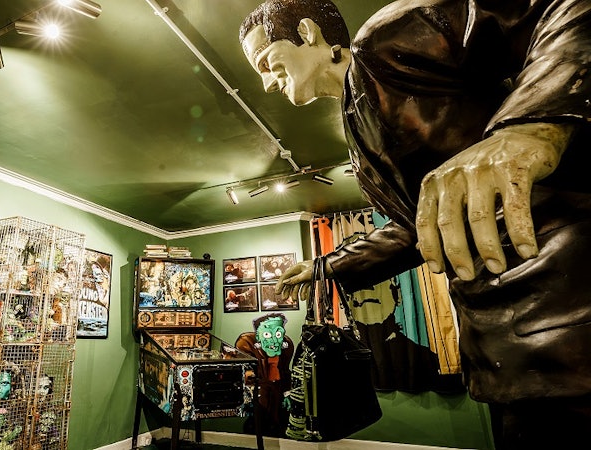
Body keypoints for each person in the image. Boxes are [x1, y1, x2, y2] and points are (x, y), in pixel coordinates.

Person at [239, 0, 591, 448]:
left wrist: (528, 127)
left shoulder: (387, 38)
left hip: (570, 298)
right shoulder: (355, 128)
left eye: (266, 63)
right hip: (501, 341)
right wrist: (325, 266)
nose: (266, 84)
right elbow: (416, 226)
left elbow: (562, 7)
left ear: (308, 33)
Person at [235, 313, 294, 438]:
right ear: (258, 337)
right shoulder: (247, 345)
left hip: (278, 393)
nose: (274, 340)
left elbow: (285, 372)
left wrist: (288, 393)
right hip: (260, 394)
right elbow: (244, 375)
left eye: (278, 334)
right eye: (267, 334)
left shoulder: (286, 347)